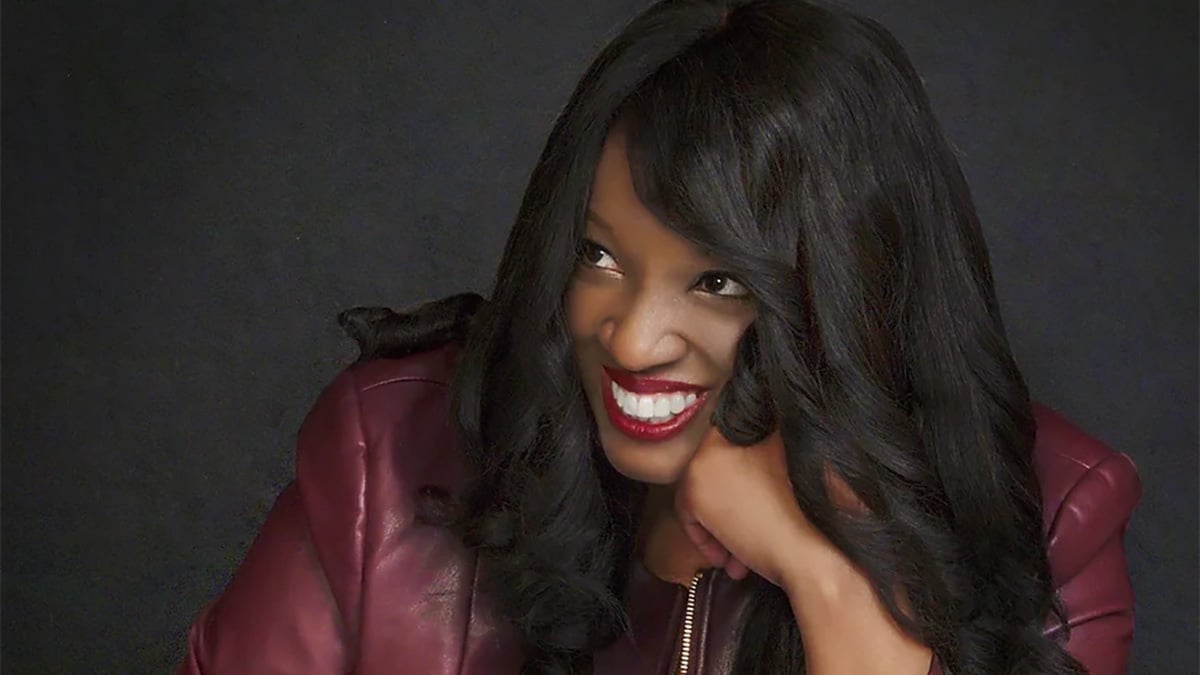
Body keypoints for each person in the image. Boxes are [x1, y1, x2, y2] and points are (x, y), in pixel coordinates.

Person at [177, 1, 1141, 673]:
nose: (633, 339)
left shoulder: (1051, 521)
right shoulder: (386, 455)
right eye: (596, 256)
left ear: (849, 295)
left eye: (717, 280)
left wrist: (833, 584)